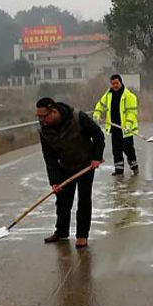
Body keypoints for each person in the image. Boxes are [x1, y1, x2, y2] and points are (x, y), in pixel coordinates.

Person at [36, 97, 105, 248]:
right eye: (39, 117)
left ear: (53, 111)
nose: (42, 120)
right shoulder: (44, 131)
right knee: (62, 201)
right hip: (64, 166)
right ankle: (61, 231)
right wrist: (54, 181)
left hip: (86, 165)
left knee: (84, 200)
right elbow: (50, 158)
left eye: (44, 116)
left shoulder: (77, 117)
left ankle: (82, 236)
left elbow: (98, 135)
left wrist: (96, 157)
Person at [94, 74, 139, 176]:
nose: (114, 85)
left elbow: (131, 113)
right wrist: (97, 113)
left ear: (121, 82)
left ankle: (134, 167)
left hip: (126, 129)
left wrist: (128, 124)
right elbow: (100, 104)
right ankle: (119, 170)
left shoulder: (129, 96)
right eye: (112, 83)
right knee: (116, 149)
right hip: (114, 127)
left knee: (128, 149)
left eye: (116, 83)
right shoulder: (108, 94)